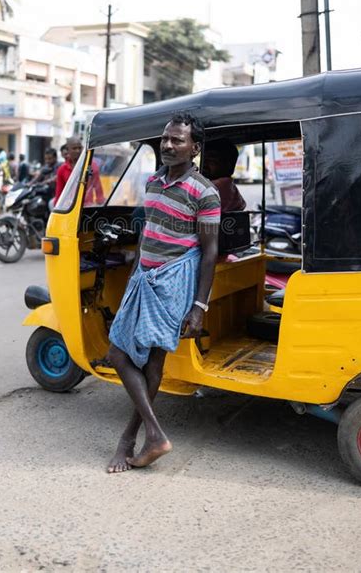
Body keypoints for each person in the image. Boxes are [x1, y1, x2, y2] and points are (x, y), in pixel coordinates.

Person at [106, 113, 220, 473]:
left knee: (148, 360)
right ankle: (152, 435)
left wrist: (199, 306)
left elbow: (210, 250)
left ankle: (134, 438)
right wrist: (135, 276)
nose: (168, 145)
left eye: (178, 140)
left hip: (174, 283)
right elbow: (147, 233)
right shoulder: (154, 182)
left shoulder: (205, 191)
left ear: (194, 148)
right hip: (145, 278)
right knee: (119, 353)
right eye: (166, 139)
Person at [203, 138, 246, 212]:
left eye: (211, 160)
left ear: (228, 165)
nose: (204, 164)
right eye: (203, 159)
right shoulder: (229, 186)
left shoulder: (217, 186)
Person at [55, 136, 83, 204]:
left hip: (87, 205)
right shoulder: (62, 169)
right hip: (69, 206)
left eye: (80, 148)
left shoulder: (91, 166)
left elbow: (98, 191)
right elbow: (59, 192)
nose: (78, 151)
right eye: (74, 148)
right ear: (68, 150)